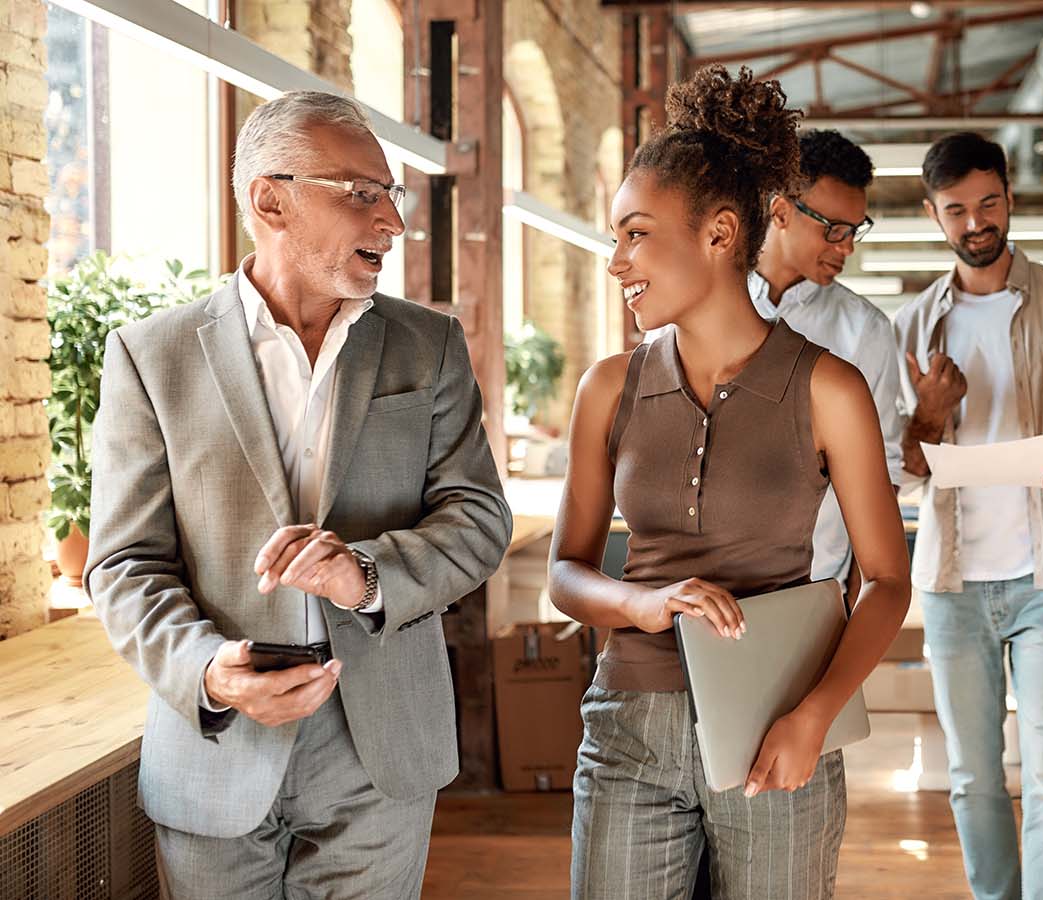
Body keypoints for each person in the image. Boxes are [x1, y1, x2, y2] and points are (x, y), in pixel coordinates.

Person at [85, 90, 513, 899]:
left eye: (393, 195)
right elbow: (123, 563)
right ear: (269, 199)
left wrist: (367, 574)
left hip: (381, 743)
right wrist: (211, 671)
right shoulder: (152, 356)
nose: (391, 221)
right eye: (362, 193)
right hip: (216, 744)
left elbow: (479, 517)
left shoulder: (432, 344)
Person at [548, 65, 911, 899]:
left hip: (776, 723)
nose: (616, 262)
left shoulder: (831, 387)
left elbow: (888, 580)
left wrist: (812, 719)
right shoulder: (608, 387)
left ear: (718, 234)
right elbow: (567, 574)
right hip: (627, 730)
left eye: (635, 234)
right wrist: (642, 603)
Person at [894, 132, 1043, 900]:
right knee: (971, 777)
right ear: (933, 214)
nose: (977, 223)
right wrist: (928, 417)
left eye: (989, 203)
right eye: (958, 210)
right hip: (952, 583)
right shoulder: (908, 327)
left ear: (1011, 197)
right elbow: (896, 471)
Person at [728, 128, 903, 592]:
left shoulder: (865, 332)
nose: (846, 247)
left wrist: (853, 596)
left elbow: (881, 474)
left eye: (855, 231)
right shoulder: (703, 309)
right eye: (834, 230)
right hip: (708, 589)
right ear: (780, 211)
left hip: (816, 584)